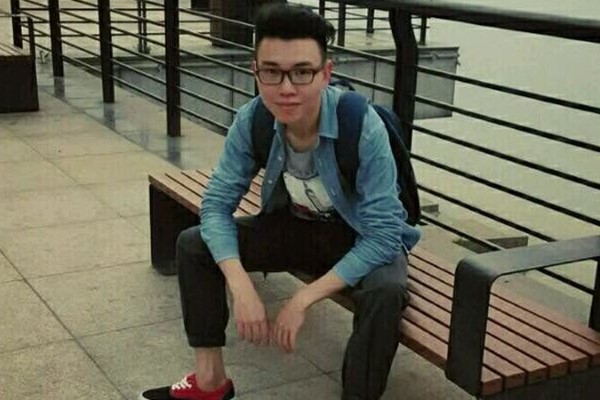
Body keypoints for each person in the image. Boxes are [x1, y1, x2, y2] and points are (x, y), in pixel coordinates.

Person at [140, 3, 421, 400]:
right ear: (255, 71)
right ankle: (210, 382)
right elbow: (216, 206)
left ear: (326, 73)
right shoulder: (253, 119)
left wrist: (303, 298)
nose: (286, 88)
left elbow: (384, 235)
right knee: (194, 244)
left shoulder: (360, 124)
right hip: (298, 229)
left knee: (385, 293)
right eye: (272, 72)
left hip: (359, 237)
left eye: (302, 72)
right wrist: (240, 285)